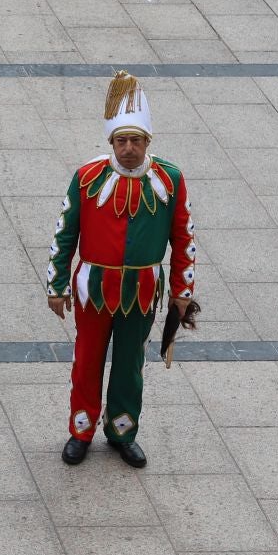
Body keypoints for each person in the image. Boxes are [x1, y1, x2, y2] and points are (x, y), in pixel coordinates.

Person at [47, 73, 195, 470]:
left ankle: (122, 431)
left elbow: (183, 238)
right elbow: (65, 232)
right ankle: (81, 429)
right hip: (93, 288)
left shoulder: (171, 179)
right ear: (110, 142)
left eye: (136, 141)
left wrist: (183, 289)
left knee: (130, 364)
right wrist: (56, 284)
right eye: (121, 141)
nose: (128, 149)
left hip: (142, 290)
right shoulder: (86, 178)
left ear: (148, 142)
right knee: (87, 359)